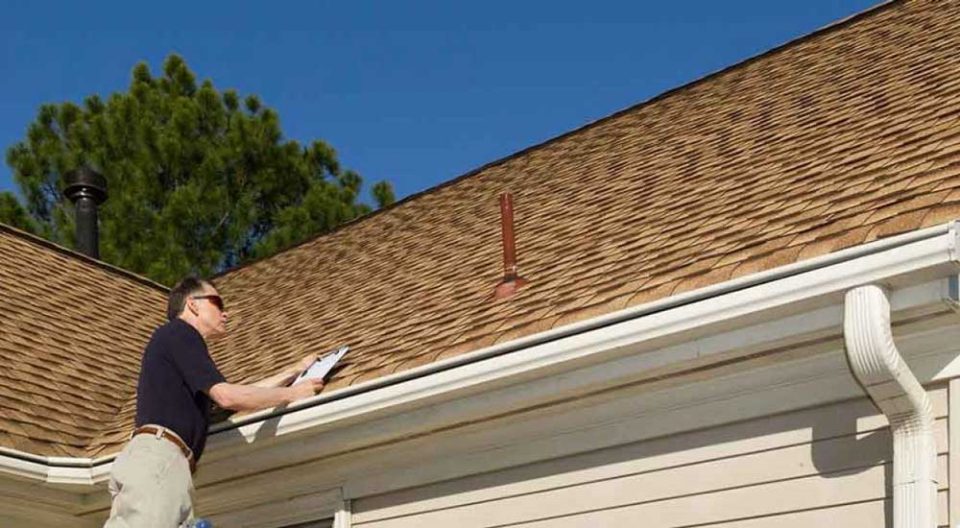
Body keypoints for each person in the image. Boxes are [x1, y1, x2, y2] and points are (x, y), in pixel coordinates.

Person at [104, 276, 325, 528]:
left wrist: (295, 371)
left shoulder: (174, 348)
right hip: (159, 461)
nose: (226, 313)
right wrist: (294, 394)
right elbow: (228, 396)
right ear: (193, 305)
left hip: (152, 463)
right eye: (218, 302)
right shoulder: (181, 332)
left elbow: (233, 398)